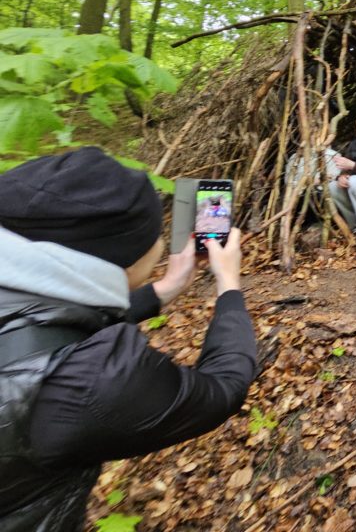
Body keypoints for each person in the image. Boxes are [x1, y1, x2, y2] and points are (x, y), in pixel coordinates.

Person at [0, 147, 256, 529]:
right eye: (155, 231)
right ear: (124, 258)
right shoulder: (97, 378)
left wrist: (165, 288)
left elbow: (52, 325)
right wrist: (229, 284)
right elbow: (223, 387)